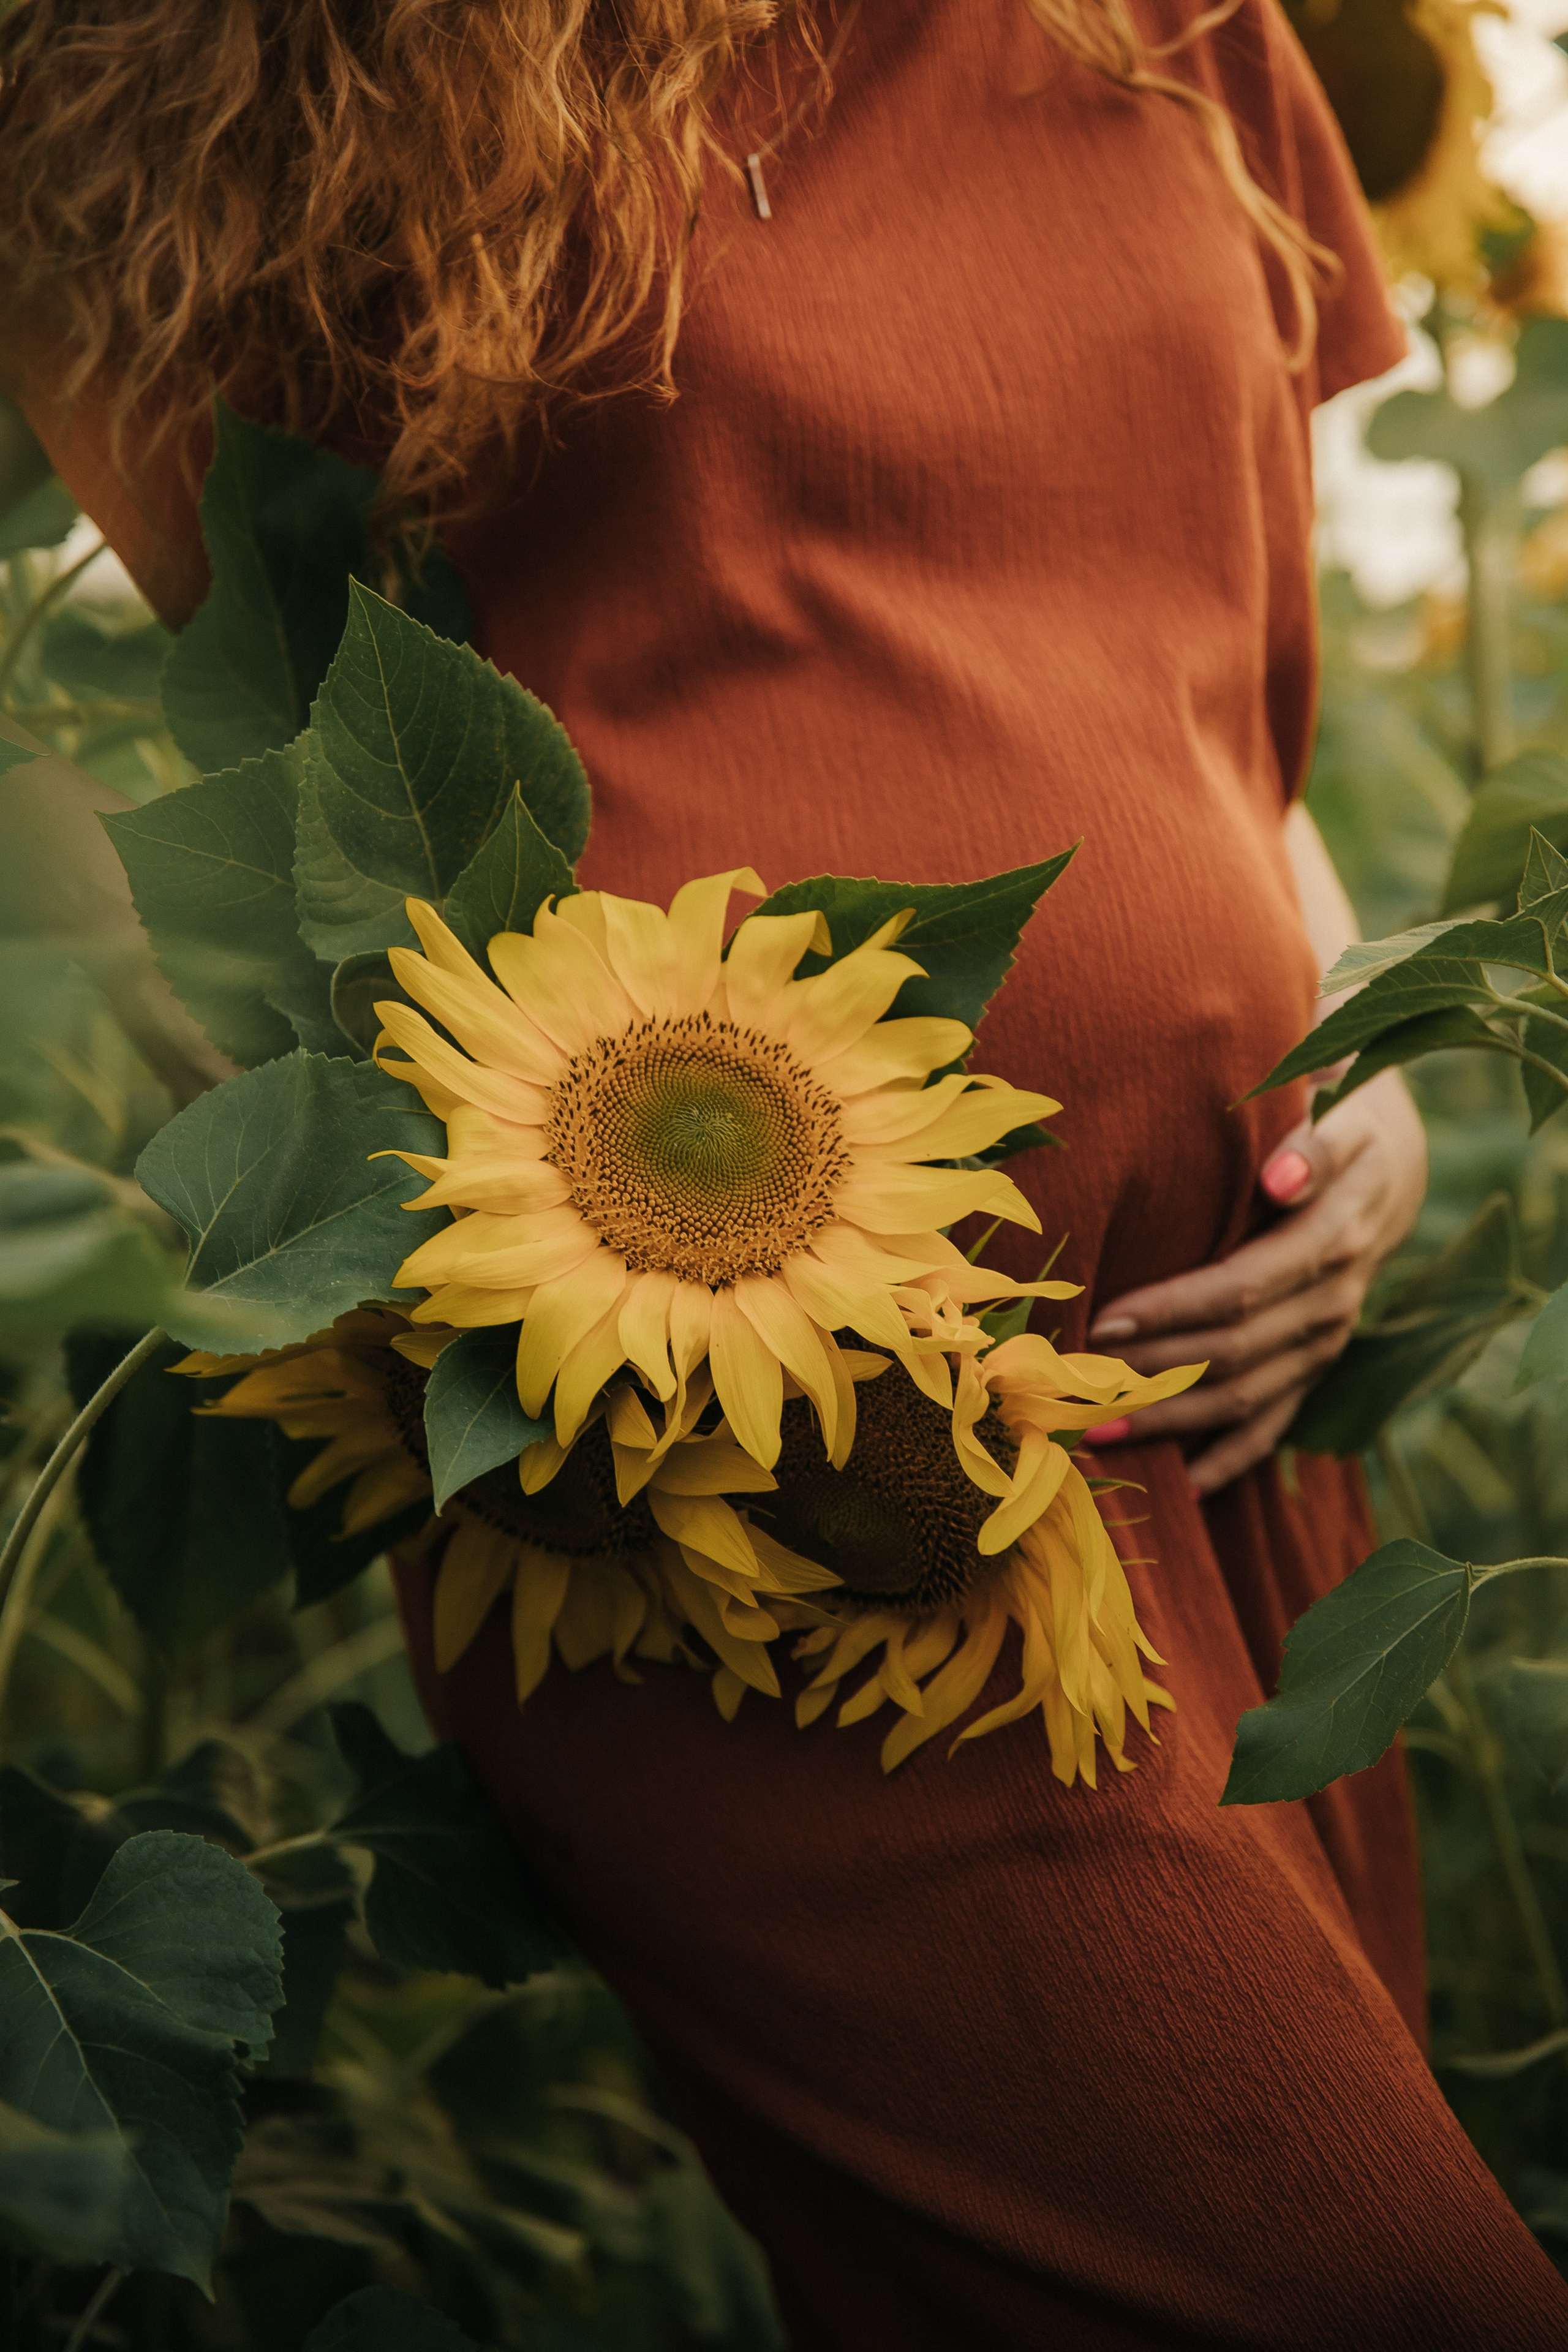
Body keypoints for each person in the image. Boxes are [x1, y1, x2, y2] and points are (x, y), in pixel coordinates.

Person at [6, 0, 1567, 2340]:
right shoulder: (302, 65)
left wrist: (1342, 1047)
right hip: (744, 1467)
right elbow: (255, 699)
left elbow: (1203, 648)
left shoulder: (1179, 22)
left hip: (1217, 1405)